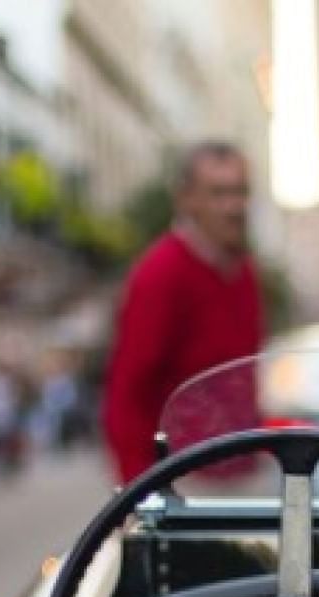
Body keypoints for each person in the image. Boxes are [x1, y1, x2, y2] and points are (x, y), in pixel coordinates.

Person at [101, 140, 265, 482]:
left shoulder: (244, 271)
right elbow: (127, 394)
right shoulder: (161, 272)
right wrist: (141, 495)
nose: (233, 206)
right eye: (218, 193)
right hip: (182, 479)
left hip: (239, 474)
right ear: (186, 199)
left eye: (240, 191)